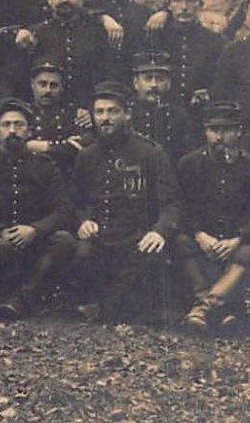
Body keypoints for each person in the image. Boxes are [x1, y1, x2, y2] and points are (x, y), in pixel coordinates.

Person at [69, 81, 184, 323]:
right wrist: (83, 220)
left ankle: (108, 308)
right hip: (100, 235)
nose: (105, 118)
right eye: (99, 112)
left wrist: (159, 231)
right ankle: (109, 306)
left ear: (127, 114)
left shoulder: (150, 152)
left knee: (145, 258)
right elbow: (74, 200)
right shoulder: (86, 155)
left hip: (137, 234)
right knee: (82, 254)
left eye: (113, 111)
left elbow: (172, 202)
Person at [0, 98, 78, 320]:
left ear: (29, 132)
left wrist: (35, 229)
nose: (12, 131)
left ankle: (21, 298)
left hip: (36, 238)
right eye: (6, 125)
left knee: (65, 241)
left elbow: (63, 208)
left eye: (19, 125)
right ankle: (9, 298)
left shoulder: (45, 166)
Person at [177, 102, 250, 332]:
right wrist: (199, 234)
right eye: (213, 130)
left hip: (235, 240)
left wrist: (238, 238)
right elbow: (181, 206)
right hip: (202, 237)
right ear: (205, 132)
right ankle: (221, 309)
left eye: (226, 130)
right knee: (181, 241)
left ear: (238, 131)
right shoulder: (189, 163)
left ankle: (204, 308)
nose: (219, 136)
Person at [6, 0, 115, 108]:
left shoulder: (97, 33)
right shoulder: (35, 33)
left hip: (85, 114)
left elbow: (106, 76)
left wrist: (92, 109)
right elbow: (17, 78)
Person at [148, 0, 224, 122]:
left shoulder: (215, 41)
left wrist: (210, 92)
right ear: (169, 5)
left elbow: (223, 80)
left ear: (200, 4)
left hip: (200, 115)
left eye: (190, 0)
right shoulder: (156, 36)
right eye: (177, 0)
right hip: (162, 114)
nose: (184, 7)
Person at [21, 61, 88, 175]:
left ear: (62, 88)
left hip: (63, 176)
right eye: (42, 84)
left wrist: (45, 147)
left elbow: (81, 146)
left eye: (54, 85)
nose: (48, 90)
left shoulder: (73, 115)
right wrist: (62, 145)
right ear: (32, 85)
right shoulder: (21, 114)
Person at [128, 50, 196, 162]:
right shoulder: (127, 115)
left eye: (160, 79)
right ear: (136, 83)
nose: (154, 85)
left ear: (168, 83)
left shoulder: (178, 116)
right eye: (148, 78)